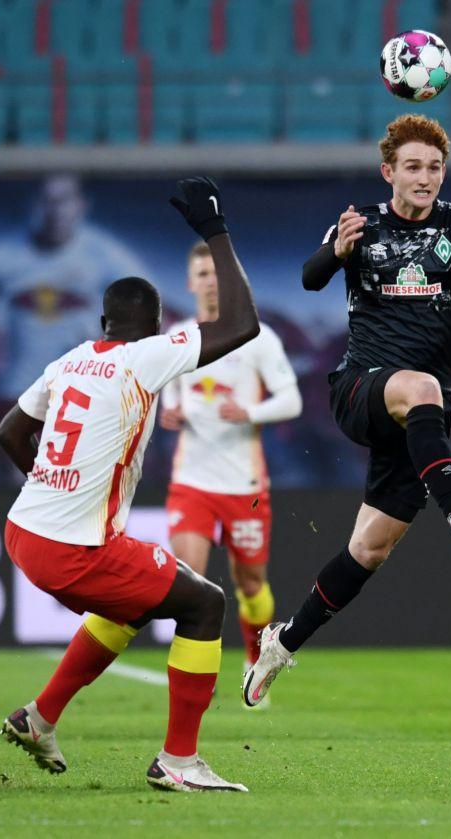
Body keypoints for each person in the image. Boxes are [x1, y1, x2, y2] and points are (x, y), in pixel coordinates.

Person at [0, 177, 260, 793]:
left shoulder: (69, 360)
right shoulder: (145, 357)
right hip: (73, 546)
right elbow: (242, 323)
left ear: (103, 320)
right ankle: (178, 760)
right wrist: (214, 229)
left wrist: (50, 487)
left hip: (23, 528)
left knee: (132, 607)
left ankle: (38, 718)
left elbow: (10, 433)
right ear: (157, 328)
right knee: (206, 603)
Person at [240, 114, 451, 707]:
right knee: (421, 387)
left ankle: (281, 642)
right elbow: (310, 278)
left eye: (435, 167)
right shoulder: (359, 222)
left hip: (420, 424)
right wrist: (335, 250)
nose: (426, 177)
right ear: (388, 171)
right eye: (413, 167)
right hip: (362, 387)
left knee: (370, 549)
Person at [160, 242, 302, 694]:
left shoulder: (258, 336)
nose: (210, 281)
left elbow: (292, 399)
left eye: (218, 273)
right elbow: (166, 392)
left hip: (244, 486)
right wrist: (170, 411)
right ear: (190, 282)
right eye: (202, 273)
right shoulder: (180, 337)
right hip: (192, 482)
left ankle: (256, 662)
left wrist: (250, 413)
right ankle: (188, 683)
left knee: (252, 583)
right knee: (189, 581)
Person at [0, 174, 147, 401]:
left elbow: (145, 305)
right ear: (33, 204)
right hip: (16, 393)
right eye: (47, 200)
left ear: (82, 204)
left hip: (80, 395)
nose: (55, 210)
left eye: (64, 200)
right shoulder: (4, 255)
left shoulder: (102, 253)